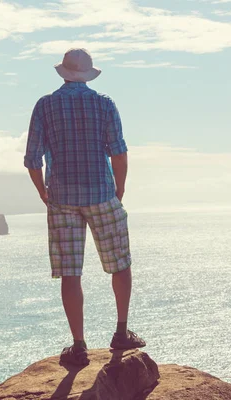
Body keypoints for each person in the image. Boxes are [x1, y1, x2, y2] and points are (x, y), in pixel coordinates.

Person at [24, 48, 145, 366]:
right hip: (102, 194)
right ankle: (121, 332)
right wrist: (119, 188)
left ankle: (78, 346)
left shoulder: (45, 105)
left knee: (70, 272)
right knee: (120, 263)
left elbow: (32, 158)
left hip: (61, 198)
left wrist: (42, 191)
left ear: (63, 73)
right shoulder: (104, 104)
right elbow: (118, 152)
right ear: (88, 75)